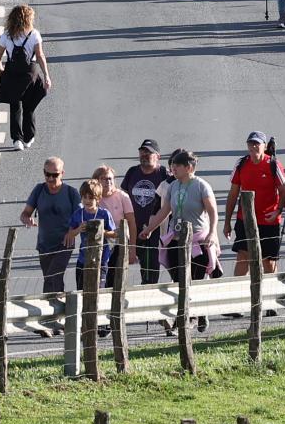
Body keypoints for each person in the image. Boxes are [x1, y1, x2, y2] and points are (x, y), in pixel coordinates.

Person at [140, 149, 220, 332]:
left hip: (197, 241)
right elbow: (165, 211)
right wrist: (149, 229)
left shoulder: (202, 186)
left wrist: (212, 233)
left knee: (195, 279)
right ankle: (184, 317)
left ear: (189, 167)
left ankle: (196, 314)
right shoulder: (173, 186)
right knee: (179, 280)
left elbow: (213, 212)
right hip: (176, 240)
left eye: (177, 165)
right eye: (172, 165)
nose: (173, 168)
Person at [224, 131, 285, 277]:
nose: (253, 146)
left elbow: (284, 190)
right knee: (243, 257)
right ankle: (239, 294)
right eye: (250, 143)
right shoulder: (241, 163)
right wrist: (227, 222)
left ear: (264, 146)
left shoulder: (273, 164)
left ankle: (271, 294)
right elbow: (233, 194)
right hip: (245, 219)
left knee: (268, 261)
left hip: (268, 221)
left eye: (257, 143)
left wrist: (278, 211)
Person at [0, 4, 51, 151]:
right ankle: (29, 137)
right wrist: (46, 75)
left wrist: (0, 70)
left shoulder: (7, 35)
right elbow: (40, 56)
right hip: (30, 74)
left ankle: (16, 140)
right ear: (28, 19)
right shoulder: (34, 34)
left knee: (15, 106)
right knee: (29, 106)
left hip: (12, 73)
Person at [21, 156, 78, 296]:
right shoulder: (39, 190)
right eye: (48, 174)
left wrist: (71, 231)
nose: (51, 178)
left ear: (62, 173)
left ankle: (50, 311)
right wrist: (27, 220)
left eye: (55, 174)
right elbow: (25, 213)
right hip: (44, 245)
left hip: (64, 243)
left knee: (54, 276)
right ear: (44, 172)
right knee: (50, 279)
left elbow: (80, 217)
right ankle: (58, 309)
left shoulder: (71, 192)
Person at [120, 139, 170, 284]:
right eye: (142, 151)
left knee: (150, 270)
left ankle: (148, 296)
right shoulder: (132, 172)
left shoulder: (164, 174)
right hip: (132, 228)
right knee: (119, 268)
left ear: (158, 156)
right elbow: (122, 197)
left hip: (154, 230)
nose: (144, 154)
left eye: (148, 152)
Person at [63, 178, 115, 293]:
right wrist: (79, 229)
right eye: (84, 197)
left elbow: (114, 234)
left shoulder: (104, 214)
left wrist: (101, 231)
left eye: (91, 198)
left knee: (98, 290)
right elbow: (70, 234)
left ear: (98, 199)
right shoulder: (78, 214)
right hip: (83, 259)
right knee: (82, 291)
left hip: (101, 260)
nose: (87, 200)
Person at [92, 164, 137, 279]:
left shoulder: (123, 196)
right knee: (99, 277)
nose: (108, 181)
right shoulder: (92, 199)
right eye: (104, 178)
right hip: (99, 243)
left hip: (119, 243)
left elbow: (131, 223)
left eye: (110, 178)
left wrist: (132, 248)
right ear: (97, 181)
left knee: (116, 277)